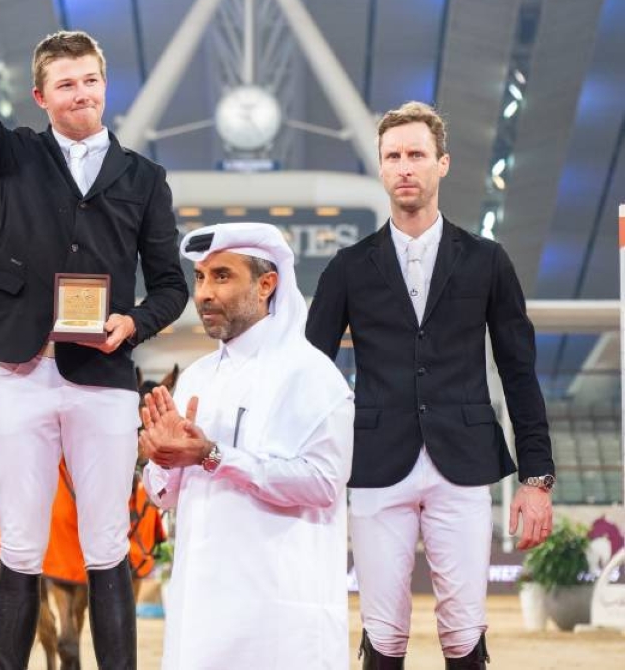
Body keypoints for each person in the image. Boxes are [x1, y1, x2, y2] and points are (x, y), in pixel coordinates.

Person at [0, 0, 188, 669]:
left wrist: (134, 321)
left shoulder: (144, 178)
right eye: (66, 84)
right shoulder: (13, 155)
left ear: (105, 84)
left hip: (105, 377)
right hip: (24, 370)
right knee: (18, 548)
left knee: (108, 549)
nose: (81, 93)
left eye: (90, 80)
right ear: (41, 97)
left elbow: (171, 284)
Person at [306, 101, 555, 669]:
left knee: (465, 632)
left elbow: (519, 372)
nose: (404, 167)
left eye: (416, 154)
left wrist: (536, 478)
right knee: (383, 633)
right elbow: (310, 372)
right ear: (381, 167)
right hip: (376, 464)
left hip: (464, 463)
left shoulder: (488, 261)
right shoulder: (347, 266)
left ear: (443, 163)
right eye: (393, 156)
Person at [140, 222, 354, 669]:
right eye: (200, 277)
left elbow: (323, 483)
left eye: (222, 276)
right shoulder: (196, 378)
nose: (204, 294)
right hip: (200, 617)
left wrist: (213, 455)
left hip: (279, 622)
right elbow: (166, 496)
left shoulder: (311, 375)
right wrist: (161, 459)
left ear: (266, 284)